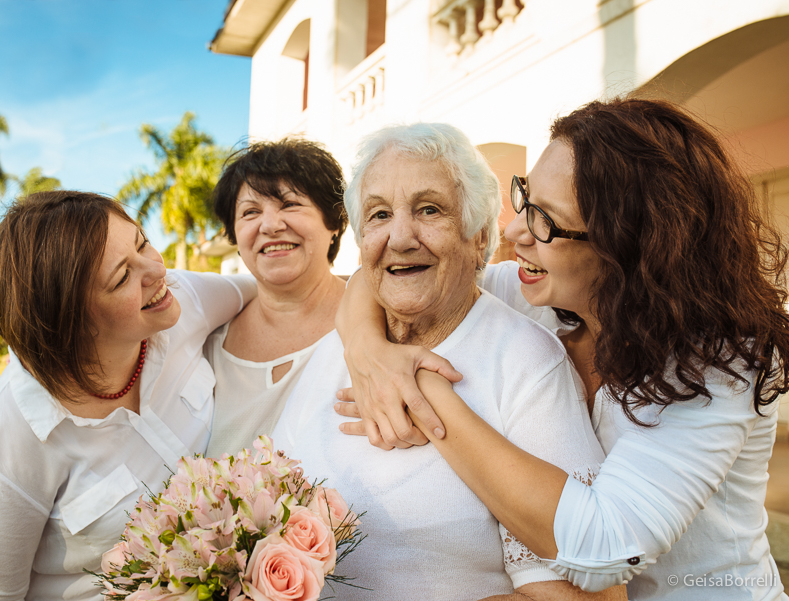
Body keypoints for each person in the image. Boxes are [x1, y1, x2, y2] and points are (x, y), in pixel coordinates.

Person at [335, 98, 789, 600]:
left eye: (545, 222)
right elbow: (383, 279)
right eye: (525, 199)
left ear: (625, 245)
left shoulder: (717, 365)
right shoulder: (535, 295)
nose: (513, 232)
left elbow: (603, 547)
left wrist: (422, 389)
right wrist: (367, 347)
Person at [271, 123, 625, 600]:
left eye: (429, 209)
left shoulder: (526, 362)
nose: (400, 237)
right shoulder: (341, 347)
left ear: (480, 236)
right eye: (378, 215)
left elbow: (583, 596)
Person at [0, 191, 256, 600]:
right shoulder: (12, 438)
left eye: (142, 241)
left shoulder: (180, 299)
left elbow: (281, 289)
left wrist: (362, 326)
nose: (157, 269)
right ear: (69, 321)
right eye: (122, 277)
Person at [203, 138, 351, 457]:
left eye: (290, 204)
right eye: (250, 212)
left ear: (335, 222)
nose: (270, 225)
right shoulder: (206, 346)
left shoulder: (381, 319)